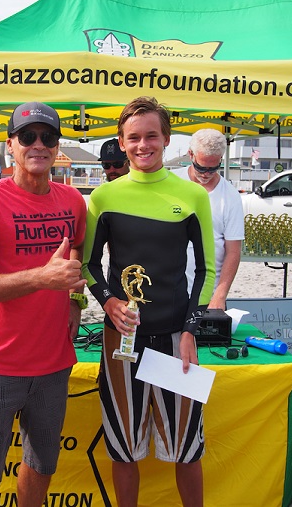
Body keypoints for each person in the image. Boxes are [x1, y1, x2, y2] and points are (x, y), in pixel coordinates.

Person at [82, 96, 215, 507]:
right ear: (122, 142)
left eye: (151, 136)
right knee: (123, 444)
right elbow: (88, 265)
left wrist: (191, 329)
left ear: (167, 139)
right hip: (121, 341)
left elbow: (207, 270)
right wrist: (107, 303)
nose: (143, 145)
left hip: (177, 339)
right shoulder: (102, 198)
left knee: (186, 447)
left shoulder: (193, 197)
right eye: (134, 137)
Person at [0, 102, 87, 507]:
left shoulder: (74, 202)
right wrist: (39, 278)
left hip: (53, 363)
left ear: (57, 145)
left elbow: (76, 260)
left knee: (42, 465)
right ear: (9, 145)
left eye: (47, 137)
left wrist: (75, 305)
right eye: (27, 136)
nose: (38, 144)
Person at [172, 128, 244, 310]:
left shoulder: (230, 195)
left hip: (208, 294)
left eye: (213, 168)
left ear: (221, 159)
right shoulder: (171, 182)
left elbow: (233, 251)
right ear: (191, 155)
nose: (205, 173)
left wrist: (220, 295)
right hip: (169, 290)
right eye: (201, 167)